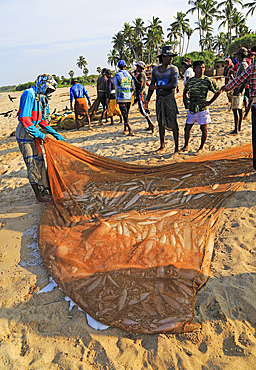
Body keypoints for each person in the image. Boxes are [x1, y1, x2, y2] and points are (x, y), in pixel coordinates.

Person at [16, 74, 65, 203]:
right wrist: (41, 135)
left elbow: (42, 121)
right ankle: (38, 196)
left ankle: (45, 188)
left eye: (51, 91)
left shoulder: (41, 98)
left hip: (35, 135)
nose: (49, 92)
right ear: (42, 85)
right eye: (48, 89)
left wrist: (54, 133)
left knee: (41, 163)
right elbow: (25, 119)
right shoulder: (29, 94)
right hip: (25, 136)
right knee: (32, 164)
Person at [221, 45, 256, 170]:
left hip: (244, 95)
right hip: (246, 95)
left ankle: (237, 128)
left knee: (237, 110)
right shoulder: (248, 66)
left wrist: (227, 88)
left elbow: (240, 80)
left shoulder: (247, 66)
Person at [144, 46, 179, 153]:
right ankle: (162, 145)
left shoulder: (174, 69)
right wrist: (147, 99)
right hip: (159, 99)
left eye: (172, 56)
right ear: (163, 57)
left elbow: (173, 84)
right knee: (160, 122)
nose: (171, 58)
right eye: (169, 56)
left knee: (173, 123)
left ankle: (176, 147)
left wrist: (158, 87)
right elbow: (151, 86)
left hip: (169, 99)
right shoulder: (155, 70)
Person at [182, 60, 221, 153]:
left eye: (203, 67)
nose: (202, 69)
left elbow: (218, 91)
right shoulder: (190, 81)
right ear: (194, 69)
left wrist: (209, 102)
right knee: (187, 128)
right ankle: (186, 146)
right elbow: (185, 92)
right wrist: (186, 103)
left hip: (202, 110)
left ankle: (201, 147)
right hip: (192, 109)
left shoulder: (207, 80)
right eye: (200, 67)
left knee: (203, 129)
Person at [129, 61, 154, 133]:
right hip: (140, 93)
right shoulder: (141, 74)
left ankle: (151, 124)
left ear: (140, 67)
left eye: (137, 67)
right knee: (143, 109)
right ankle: (150, 125)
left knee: (143, 110)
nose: (136, 68)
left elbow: (140, 85)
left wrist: (133, 77)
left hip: (141, 94)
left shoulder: (142, 75)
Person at [230, 47, 248, 134]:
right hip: (239, 89)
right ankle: (239, 128)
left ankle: (236, 129)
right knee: (239, 109)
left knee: (235, 109)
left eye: (237, 55)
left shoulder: (242, 65)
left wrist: (240, 90)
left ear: (240, 55)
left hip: (238, 89)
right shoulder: (243, 64)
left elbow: (245, 78)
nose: (236, 57)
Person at [114, 60, 135, 136]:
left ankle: (130, 130)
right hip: (129, 97)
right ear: (125, 66)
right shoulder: (129, 75)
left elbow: (116, 87)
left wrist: (116, 97)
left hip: (121, 97)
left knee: (124, 115)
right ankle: (125, 129)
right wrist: (130, 92)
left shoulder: (117, 75)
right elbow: (133, 87)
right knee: (126, 114)